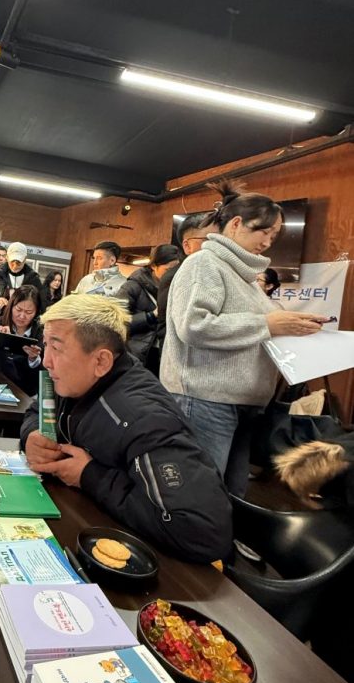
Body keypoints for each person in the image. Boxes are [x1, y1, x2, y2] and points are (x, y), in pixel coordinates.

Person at [19, 295, 233, 564]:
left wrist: (89, 475)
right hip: (79, 527)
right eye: (45, 344)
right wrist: (32, 435)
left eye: (57, 347)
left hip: (153, 570)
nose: (46, 361)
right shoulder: (72, 380)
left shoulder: (144, 419)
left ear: (101, 361)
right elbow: (37, 409)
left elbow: (203, 533)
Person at [160, 180, 327, 497]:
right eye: (263, 231)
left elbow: (259, 328)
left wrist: (293, 326)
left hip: (243, 403)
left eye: (274, 236)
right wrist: (267, 323)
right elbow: (193, 326)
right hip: (206, 399)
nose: (268, 241)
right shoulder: (203, 263)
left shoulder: (246, 278)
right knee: (202, 494)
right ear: (236, 224)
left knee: (231, 492)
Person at [156, 215, 218, 350]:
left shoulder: (214, 272)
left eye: (219, 239)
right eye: (208, 240)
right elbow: (170, 326)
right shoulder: (175, 276)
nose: (216, 246)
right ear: (187, 246)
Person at [0, 285, 44, 395]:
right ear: (11, 306)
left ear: (36, 313)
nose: (22, 316)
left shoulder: (40, 334)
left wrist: (34, 359)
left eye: (29, 312)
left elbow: (43, 372)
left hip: (25, 392)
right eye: (18, 310)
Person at [119, 245, 181, 368]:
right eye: (168, 270)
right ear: (153, 266)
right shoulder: (132, 286)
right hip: (138, 354)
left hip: (167, 352)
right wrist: (151, 316)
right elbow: (116, 321)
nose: (172, 275)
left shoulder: (177, 288)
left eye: (176, 271)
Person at [0, 241, 42, 322]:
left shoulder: (33, 279)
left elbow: (41, 304)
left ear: (25, 259)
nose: (15, 266)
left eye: (18, 263)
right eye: (12, 262)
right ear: (7, 258)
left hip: (22, 323)